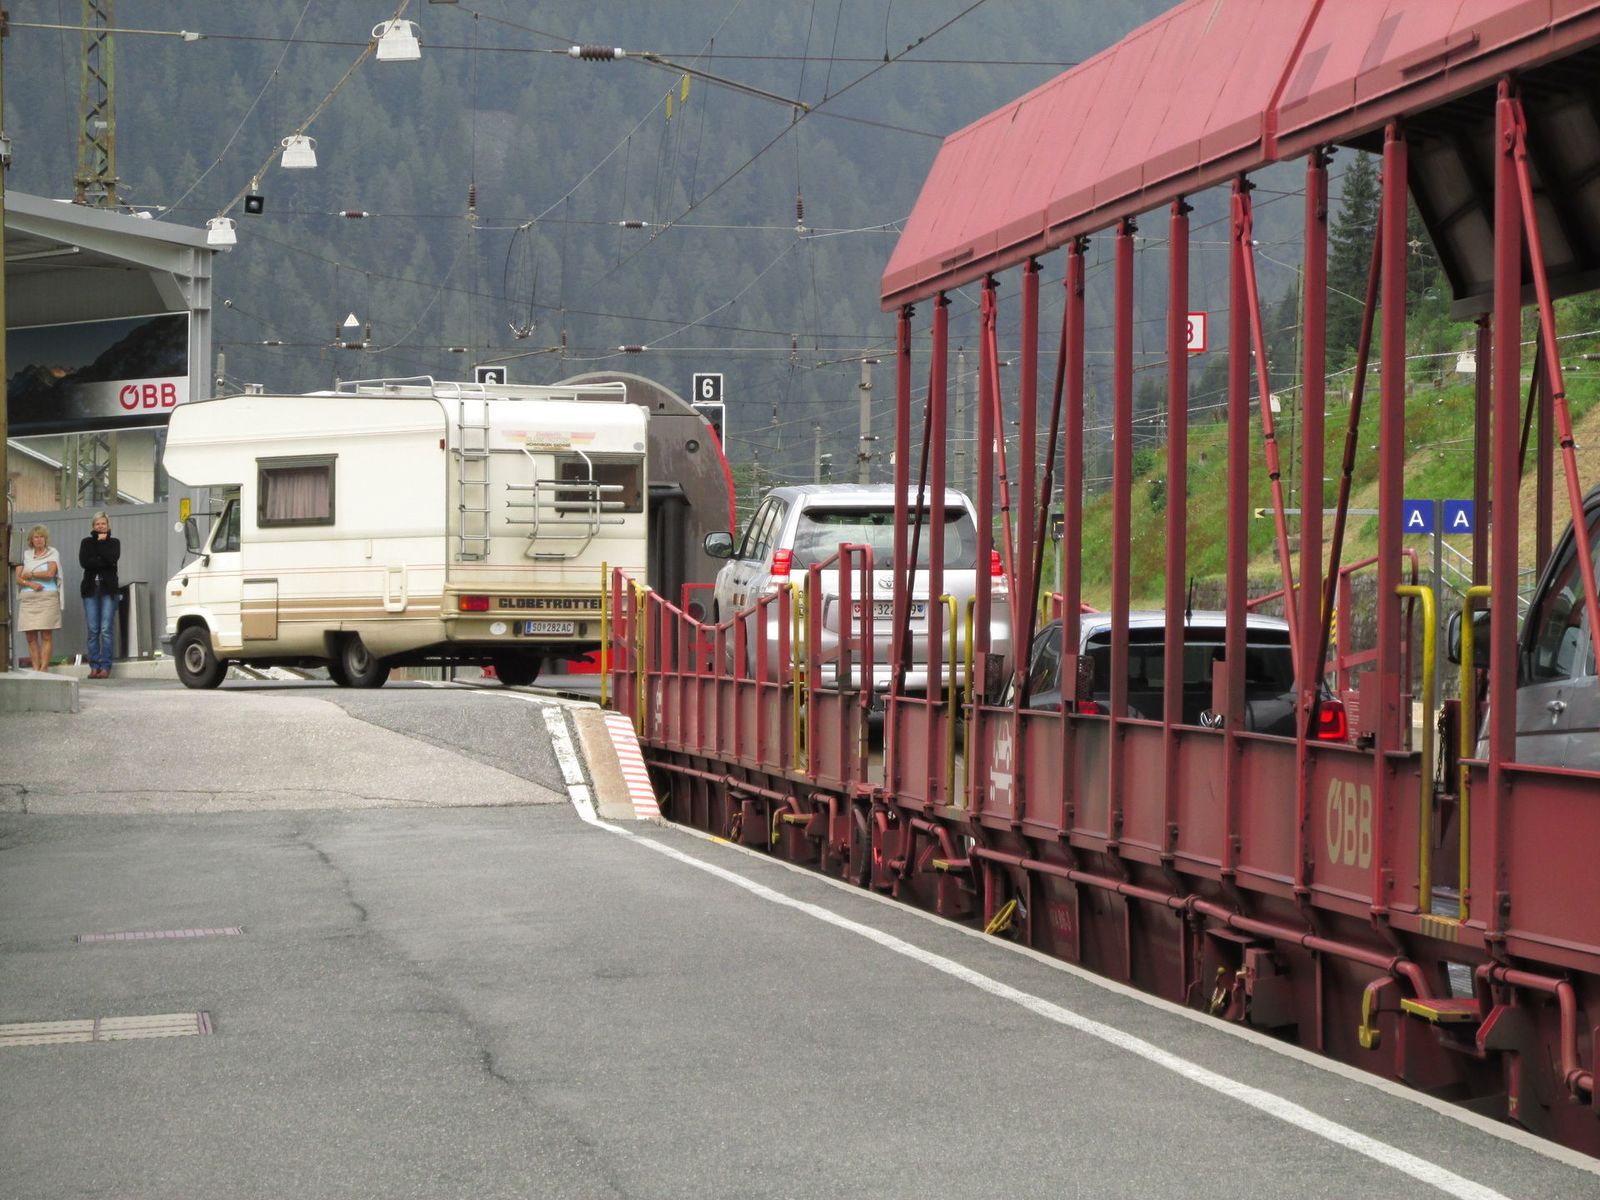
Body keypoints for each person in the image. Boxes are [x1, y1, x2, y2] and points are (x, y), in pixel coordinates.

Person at [79, 511, 121, 680]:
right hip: (91, 590)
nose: (100, 526)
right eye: (97, 524)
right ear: (93, 526)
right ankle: (94, 666)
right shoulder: (86, 542)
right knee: (93, 630)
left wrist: (102, 545)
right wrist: (101, 560)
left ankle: (105, 666)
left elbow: (112, 559)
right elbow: (85, 563)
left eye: (103, 523)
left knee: (106, 629)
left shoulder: (114, 542)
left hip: (108, 590)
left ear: (108, 525)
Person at [15, 525, 62, 671]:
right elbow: (18, 578)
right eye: (36, 537)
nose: (39, 539)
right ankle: (36, 669)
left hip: (47, 598)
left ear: (46, 539)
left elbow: (50, 574)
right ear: (31, 540)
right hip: (28, 599)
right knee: (30, 636)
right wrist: (31, 584)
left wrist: (30, 574)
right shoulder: (25, 555)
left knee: (46, 635)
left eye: (42, 537)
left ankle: (44, 669)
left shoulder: (52, 553)